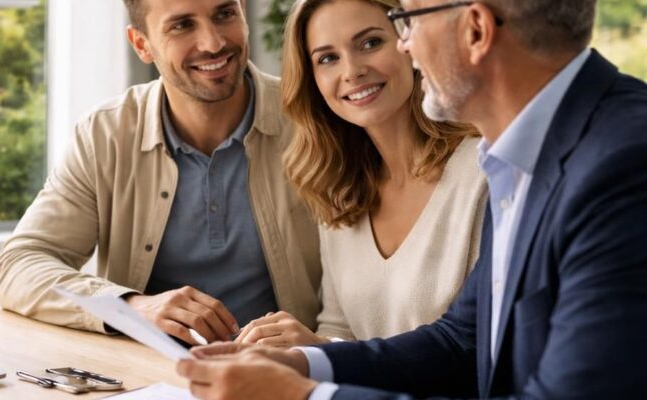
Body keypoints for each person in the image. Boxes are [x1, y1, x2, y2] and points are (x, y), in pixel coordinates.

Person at [177, 0, 647, 398]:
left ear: (476, 30)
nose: (406, 43)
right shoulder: (524, 155)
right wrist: (301, 364)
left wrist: (310, 395)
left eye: (410, 20)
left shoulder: (623, 167)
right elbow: (462, 342)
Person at [0, 0, 323, 346]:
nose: (213, 43)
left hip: (286, 376)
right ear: (141, 44)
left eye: (224, 14)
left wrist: (319, 353)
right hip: (148, 377)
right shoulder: (104, 135)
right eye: (182, 25)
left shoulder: (314, 120)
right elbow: (19, 265)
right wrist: (133, 307)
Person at [233, 0, 486, 347]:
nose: (352, 71)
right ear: (314, 82)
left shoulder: (482, 172)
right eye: (328, 58)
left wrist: (321, 354)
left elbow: (481, 350)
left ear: (409, 41)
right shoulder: (340, 190)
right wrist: (299, 349)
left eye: (370, 43)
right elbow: (338, 328)